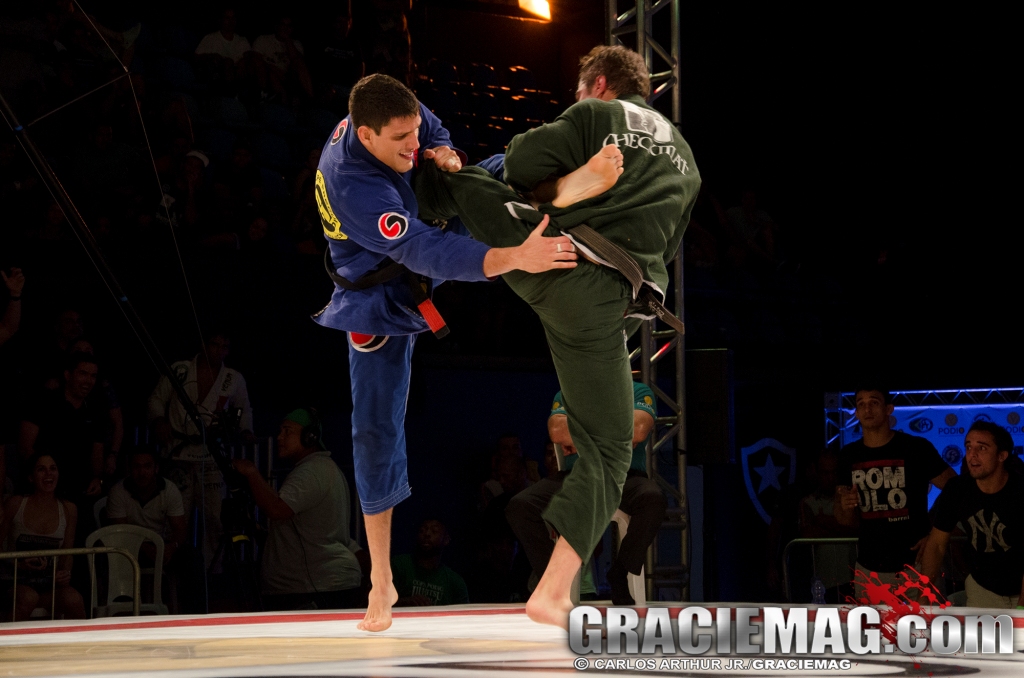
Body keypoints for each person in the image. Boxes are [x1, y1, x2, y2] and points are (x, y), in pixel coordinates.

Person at [413, 45, 700, 627]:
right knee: (612, 451)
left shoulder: (598, 116)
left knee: (482, 176)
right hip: (611, 304)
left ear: (597, 84)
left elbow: (522, 159)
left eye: (577, 90)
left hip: (554, 256)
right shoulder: (688, 161)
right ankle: (552, 590)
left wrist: (562, 182)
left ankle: (408, 204)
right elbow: (666, 250)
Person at [312, 73, 577, 631]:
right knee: (375, 428)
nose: (413, 143)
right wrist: (514, 258)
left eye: (414, 132)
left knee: (508, 165)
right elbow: (423, 251)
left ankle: (577, 173)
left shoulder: (401, 115)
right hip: (378, 289)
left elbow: (435, 133)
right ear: (365, 134)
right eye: (401, 140)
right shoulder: (354, 184)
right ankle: (381, 582)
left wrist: (445, 153)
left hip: (423, 211)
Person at [506, 381, 662, 605]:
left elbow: (637, 431)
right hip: (576, 476)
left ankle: (620, 572)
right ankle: (554, 578)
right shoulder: (568, 391)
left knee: (652, 498)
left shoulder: (637, 391)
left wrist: (581, 434)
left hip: (623, 475)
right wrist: (615, 434)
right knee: (521, 505)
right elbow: (558, 431)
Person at [232, 409, 366, 611]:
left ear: (309, 436)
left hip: (311, 589)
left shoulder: (311, 471)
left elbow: (277, 509)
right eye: (280, 431)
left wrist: (251, 472)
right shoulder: (326, 468)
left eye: (287, 431)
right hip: (324, 584)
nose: (279, 437)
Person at [835, 387, 956, 598]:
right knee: (872, 631)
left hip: (917, 567)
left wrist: (935, 533)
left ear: (889, 408)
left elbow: (956, 490)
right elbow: (843, 519)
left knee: (925, 630)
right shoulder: (848, 455)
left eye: (874, 402)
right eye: (860, 404)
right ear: (855, 412)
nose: (867, 409)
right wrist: (844, 505)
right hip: (869, 569)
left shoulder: (916, 448)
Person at [147, 331, 253, 568]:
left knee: (215, 518)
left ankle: (211, 573)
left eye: (225, 346)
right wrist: (158, 421)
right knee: (175, 516)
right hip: (178, 452)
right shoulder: (180, 370)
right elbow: (156, 399)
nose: (219, 350)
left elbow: (244, 410)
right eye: (215, 344)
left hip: (211, 454)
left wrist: (245, 431)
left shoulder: (232, 378)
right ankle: (171, 571)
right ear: (204, 345)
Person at [922, 422, 1024, 608]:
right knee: (982, 637)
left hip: (1019, 584)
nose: (972, 454)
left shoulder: (1019, 491)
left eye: (982, 448)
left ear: (1001, 455)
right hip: (983, 587)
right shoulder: (957, 489)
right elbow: (936, 545)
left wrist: (1022, 606)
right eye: (969, 447)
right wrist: (924, 593)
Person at [1, 453, 85, 621]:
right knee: (28, 597)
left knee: (74, 599)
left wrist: (64, 574)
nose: (48, 474)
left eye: (53, 469)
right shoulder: (16, 503)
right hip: (15, 583)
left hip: (48, 585)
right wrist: (19, 564)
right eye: (41, 469)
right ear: (31, 477)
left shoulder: (68, 509)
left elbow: (67, 553)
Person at [19, 353, 105, 506]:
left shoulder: (94, 411)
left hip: (78, 491)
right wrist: (44, 480)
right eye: (83, 373)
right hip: (42, 489)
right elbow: (26, 447)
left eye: (93, 375)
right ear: (68, 375)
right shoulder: (43, 402)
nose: (88, 380)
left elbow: (97, 451)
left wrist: (97, 478)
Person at [392, 518, 469, 607]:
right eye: (422, 530)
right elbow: (377, 603)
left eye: (434, 531)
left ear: (446, 539)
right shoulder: (399, 565)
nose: (427, 534)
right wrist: (405, 602)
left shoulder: (455, 582)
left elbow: (464, 616)